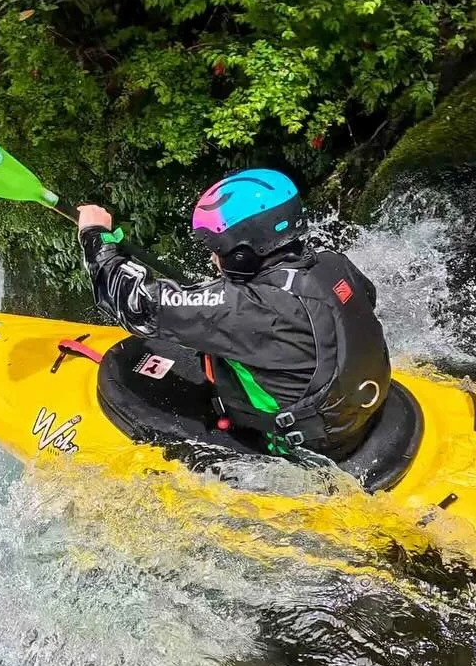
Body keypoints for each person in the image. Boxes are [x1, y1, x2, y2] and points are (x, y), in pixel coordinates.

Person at [77, 167, 391, 461]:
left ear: (242, 255)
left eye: (218, 250)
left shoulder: (246, 309)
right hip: (355, 415)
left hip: (303, 448)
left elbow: (133, 304)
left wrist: (94, 236)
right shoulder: (332, 264)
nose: (214, 257)